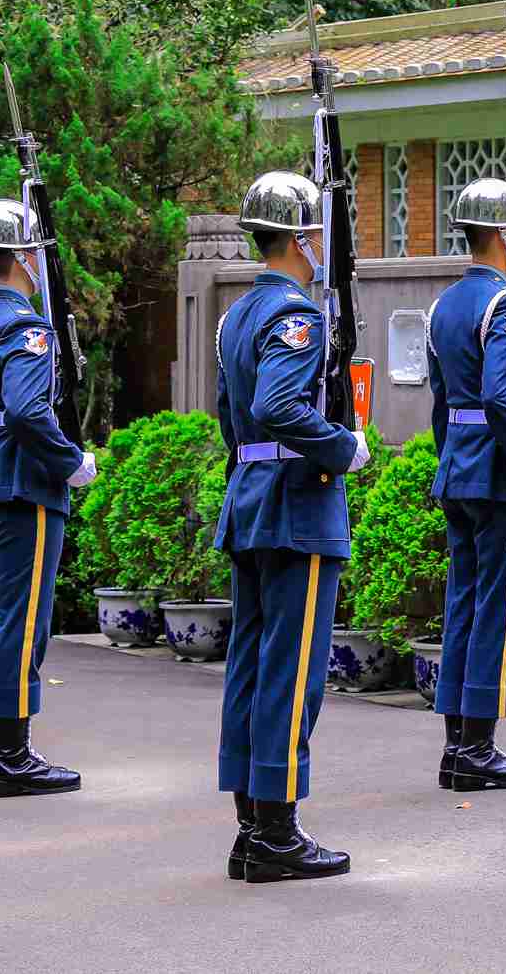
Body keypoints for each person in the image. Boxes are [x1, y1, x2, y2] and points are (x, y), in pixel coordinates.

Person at [214, 171, 369, 882]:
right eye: (320, 235)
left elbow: (230, 412)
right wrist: (342, 447)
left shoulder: (237, 316)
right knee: (293, 668)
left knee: (251, 663)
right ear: (305, 239)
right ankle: (277, 828)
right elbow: (280, 404)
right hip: (298, 504)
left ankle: (253, 824)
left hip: (249, 497)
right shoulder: (297, 315)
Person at [0, 198, 96, 798]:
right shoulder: (23, 326)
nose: (42, 261)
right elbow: (25, 409)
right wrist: (70, 463)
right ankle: (11, 758)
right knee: (22, 622)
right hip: (23, 484)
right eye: (36, 251)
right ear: (20, 257)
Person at [427, 177, 506, 792]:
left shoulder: (443, 306)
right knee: (497, 608)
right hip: (498, 475)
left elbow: (439, 404)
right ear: (502, 235)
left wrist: (450, 459)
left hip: (455, 469)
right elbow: (503, 400)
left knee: (462, 603)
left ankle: (456, 743)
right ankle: (478, 749)